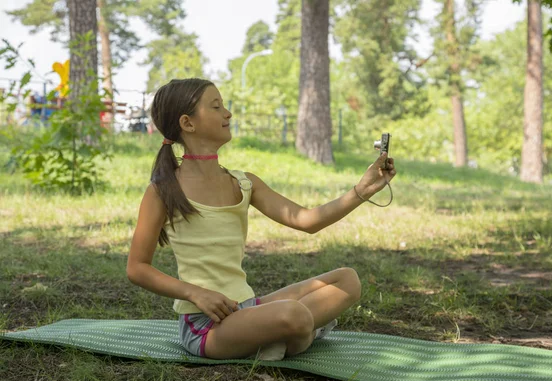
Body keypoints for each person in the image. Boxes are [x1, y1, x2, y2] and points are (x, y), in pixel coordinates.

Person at [126, 78, 397, 361]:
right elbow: (137, 268)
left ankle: (282, 336)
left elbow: (307, 220)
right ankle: (299, 333)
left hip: (248, 307)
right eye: (216, 106)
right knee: (293, 314)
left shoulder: (244, 183)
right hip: (206, 327)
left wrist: (361, 191)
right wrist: (195, 294)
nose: (227, 113)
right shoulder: (163, 190)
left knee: (347, 280)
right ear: (188, 123)